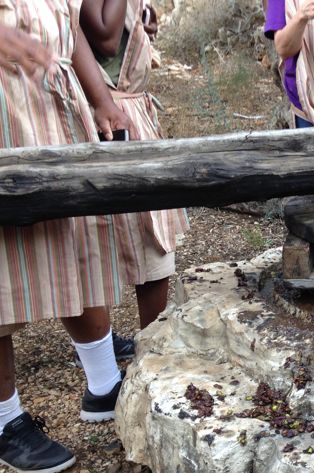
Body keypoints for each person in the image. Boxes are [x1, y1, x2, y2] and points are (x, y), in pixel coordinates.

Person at [0, 0, 136, 473]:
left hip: (51, 107)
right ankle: (4, 424)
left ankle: (104, 385)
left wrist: (102, 100)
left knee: (72, 244)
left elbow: (71, 28)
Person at [80, 0, 189, 331]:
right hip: (106, 111)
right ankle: (104, 355)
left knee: (151, 237)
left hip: (129, 106)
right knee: (92, 240)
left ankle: (148, 344)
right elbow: (105, 36)